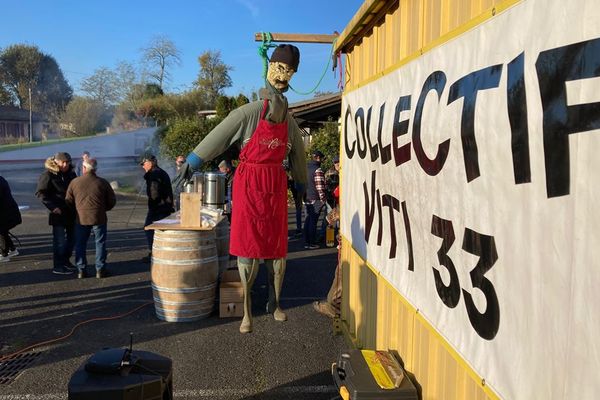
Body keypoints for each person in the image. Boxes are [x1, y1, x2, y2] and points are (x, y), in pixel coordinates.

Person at [174, 44, 307, 334]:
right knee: (248, 248)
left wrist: (301, 184)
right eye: (280, 68)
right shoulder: (248, 113)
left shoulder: (290, 122)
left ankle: (275, 302)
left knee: (276, 249)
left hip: (274, 185)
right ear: (270, 68)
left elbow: (298, 154)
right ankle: (246, 311)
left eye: (290, 71)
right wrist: (193, 160)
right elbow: (219, 135)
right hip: (249, 185)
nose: (283, 75)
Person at [66, 158, 116, 279]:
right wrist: (103, 209)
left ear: (84, 168)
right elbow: (112, 201)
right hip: (99, 217)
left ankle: (81, 270)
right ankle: (100, 269)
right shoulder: (103, 182)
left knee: (80, 244)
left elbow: (68, 201)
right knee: (100, 243)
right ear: (96, 169)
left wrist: (77, 210)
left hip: (81, 218)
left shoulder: (75, 182)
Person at [36, 152, 77, 275]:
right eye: (63, 162)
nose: (65, 165)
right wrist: (53, 207)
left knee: (73, 239)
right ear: (56, 162)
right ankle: (58, 266)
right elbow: (40, 193)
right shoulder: (48, 175)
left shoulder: (71, 174)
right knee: (59, 241)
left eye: (67, 162)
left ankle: (65, 261)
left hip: (71, 212)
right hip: (57, 213)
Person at [313, 184, 342, 318]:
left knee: (340, 276)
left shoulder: (346, 195)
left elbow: (330, 218)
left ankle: (332, 307)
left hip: (349, 246)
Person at [141, 153, 175, 262]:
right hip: (164, 206)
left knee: (149, 229)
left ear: (150, 163)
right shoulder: (160, 172)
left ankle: (154, 253)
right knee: (160, 230)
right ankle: (160, 252)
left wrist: (153, 204)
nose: (143, 166)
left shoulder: (154, 174)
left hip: (158, 207)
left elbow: (154, 193)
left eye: (144, 164)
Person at [303, 150, 326, 249]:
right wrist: (323, 199)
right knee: (313, 221)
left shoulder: (306, 168)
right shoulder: (318, 170)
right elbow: (320, 187)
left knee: (308, 220)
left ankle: (307, 241)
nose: (321, 160)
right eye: (321, 158)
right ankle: (312, 243)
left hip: (307, 198)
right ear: (317, 158)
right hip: (316, 199)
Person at [0, 176, 22, 262]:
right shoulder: (1, 179)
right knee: (3, 231)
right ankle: (12, 250)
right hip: (8, 211)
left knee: (1, 231)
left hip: (5, 212)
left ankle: (4, 254)